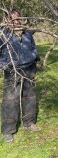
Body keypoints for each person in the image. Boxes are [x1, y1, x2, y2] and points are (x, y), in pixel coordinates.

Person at [0, 9, 41, 143]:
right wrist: (5, 64)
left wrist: (34, 56)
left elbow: (33, 47)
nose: (16, 21)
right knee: (10, 100)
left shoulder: (27, 32)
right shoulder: (3, 34)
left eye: (18, 19)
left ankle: (29, 122)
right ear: (7, 20)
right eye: (13, 19)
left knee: (29, 97)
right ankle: (8, 130)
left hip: (29, 68)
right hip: (12, 71)